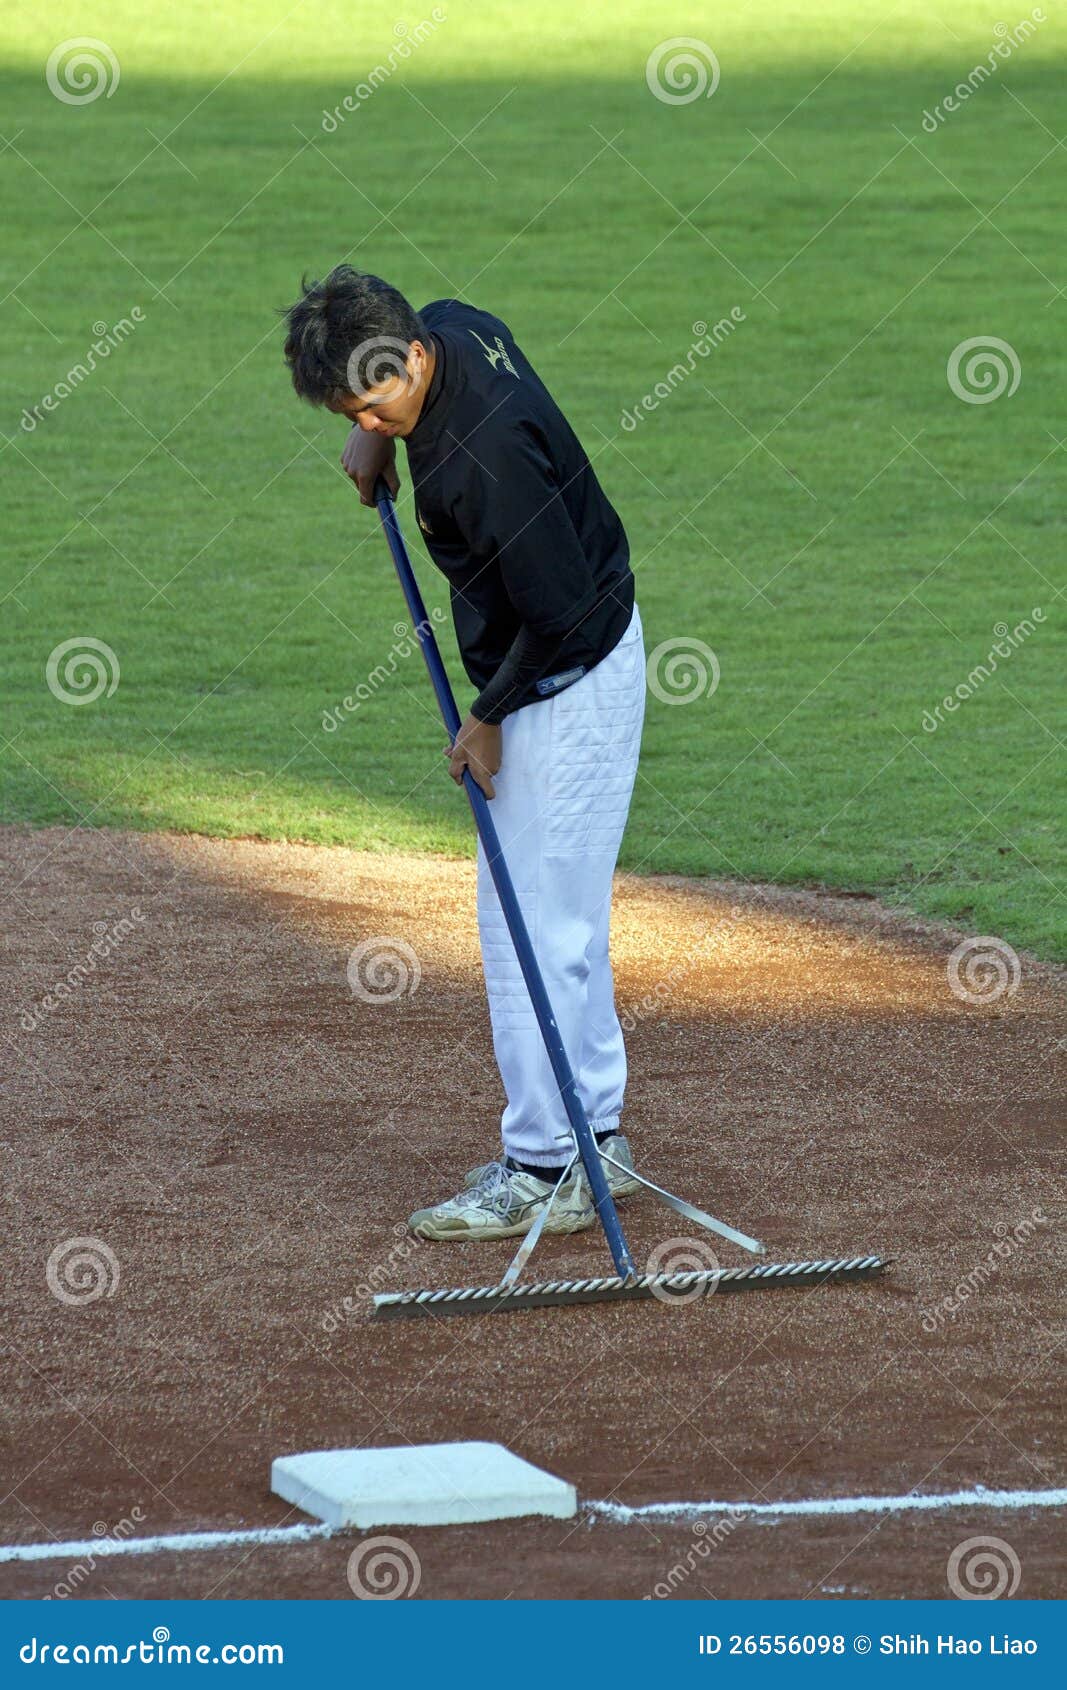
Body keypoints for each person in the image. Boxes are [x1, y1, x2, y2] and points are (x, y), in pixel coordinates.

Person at [282, 267, 645, 1242]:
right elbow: (556, 603)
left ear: (411, 356)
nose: (365, 418)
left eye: (373, 399)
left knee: (527, 929)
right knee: (556, 920)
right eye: (349, 409)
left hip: (565, 681)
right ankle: (590, 1139)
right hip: (568, 660)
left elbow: (559, 613)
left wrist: (485, 715)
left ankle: (545, 1167)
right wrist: (377, 429)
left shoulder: (478, 461)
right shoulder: (447, 326)